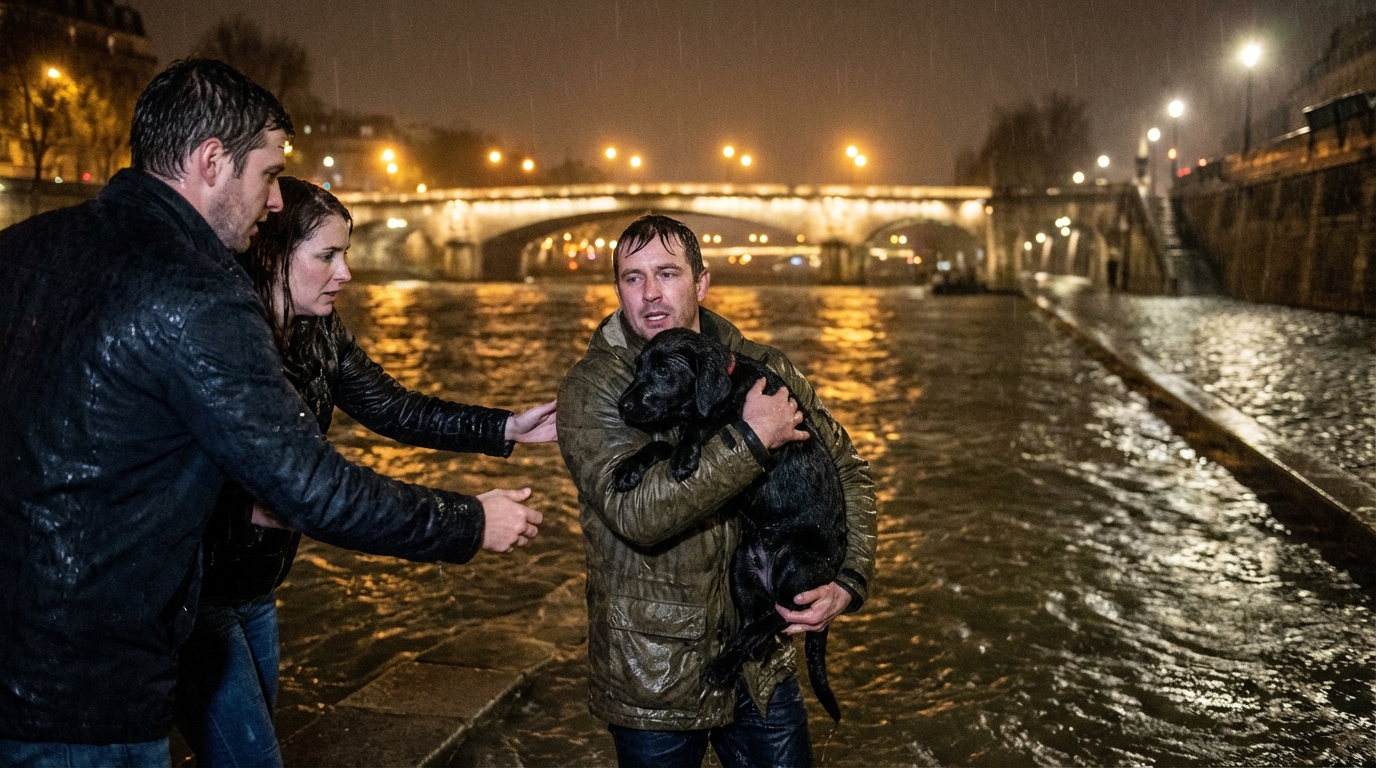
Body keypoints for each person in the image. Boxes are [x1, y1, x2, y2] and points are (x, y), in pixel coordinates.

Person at [0, 60, 542, 767]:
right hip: (93, 683)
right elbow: (310, 487)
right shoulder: (200, 293)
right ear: (211, 161)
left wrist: (501, 427)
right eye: (269, 173)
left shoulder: (23, 250)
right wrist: (468, 522)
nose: (278, 198)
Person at [172, 177, 558, 767]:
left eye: (345, 253)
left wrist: (504, 427)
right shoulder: (226, 345)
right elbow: (292, 496)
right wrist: (468, 519)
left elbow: (395, 408)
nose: (346, 272)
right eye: (327, 255)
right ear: (273, 253)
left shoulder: (319, 332)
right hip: (195, 597)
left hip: (255, 590)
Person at [557, 215, 877, 767]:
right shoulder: (594, 388)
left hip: (757, 667)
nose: (651, 294)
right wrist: (752, 439)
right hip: (651, 678)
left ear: (701, 283)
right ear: (617, 290)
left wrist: (849, 579)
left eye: (667, 273)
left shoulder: (765, 367)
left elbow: (848, 470)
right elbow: (637, 513)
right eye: (632, 278)